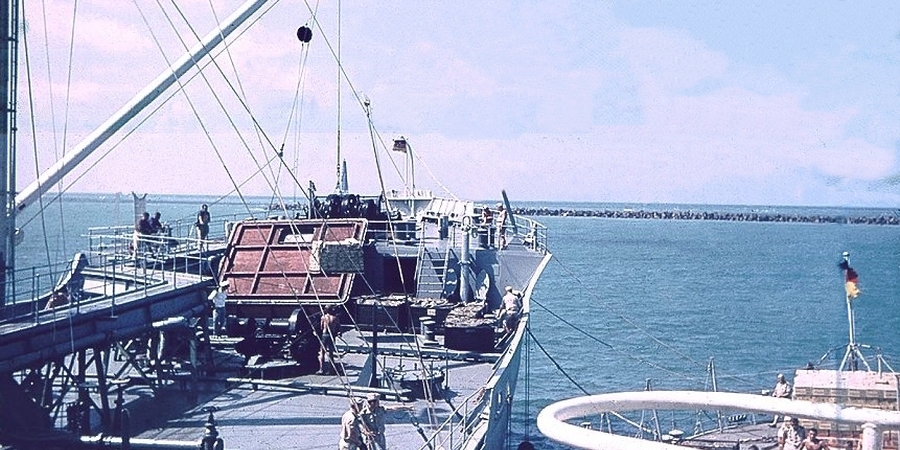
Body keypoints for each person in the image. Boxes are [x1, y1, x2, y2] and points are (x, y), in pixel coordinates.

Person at [318, 306, 340, 375]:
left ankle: (321, 369)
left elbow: (321, 327)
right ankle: (330, 370)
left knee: (322, 352)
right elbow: (338, 328)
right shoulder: (335, 318)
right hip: (331, 336)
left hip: (325, 335)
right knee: (331, 353)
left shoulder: (323, 317)